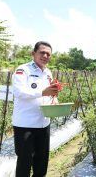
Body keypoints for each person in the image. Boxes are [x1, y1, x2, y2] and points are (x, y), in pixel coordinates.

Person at [12, 41, 59, 177]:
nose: (45, 56)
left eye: (48, 54)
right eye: (42, 52)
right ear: (33, 53)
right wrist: (43, 92)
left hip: (44, 123)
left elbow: (51, 93)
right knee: (24, 162)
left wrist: (54, 99)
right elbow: (19, 92)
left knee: (41, 162)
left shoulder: (48, 72)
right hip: (25, 125)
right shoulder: (23, 70)